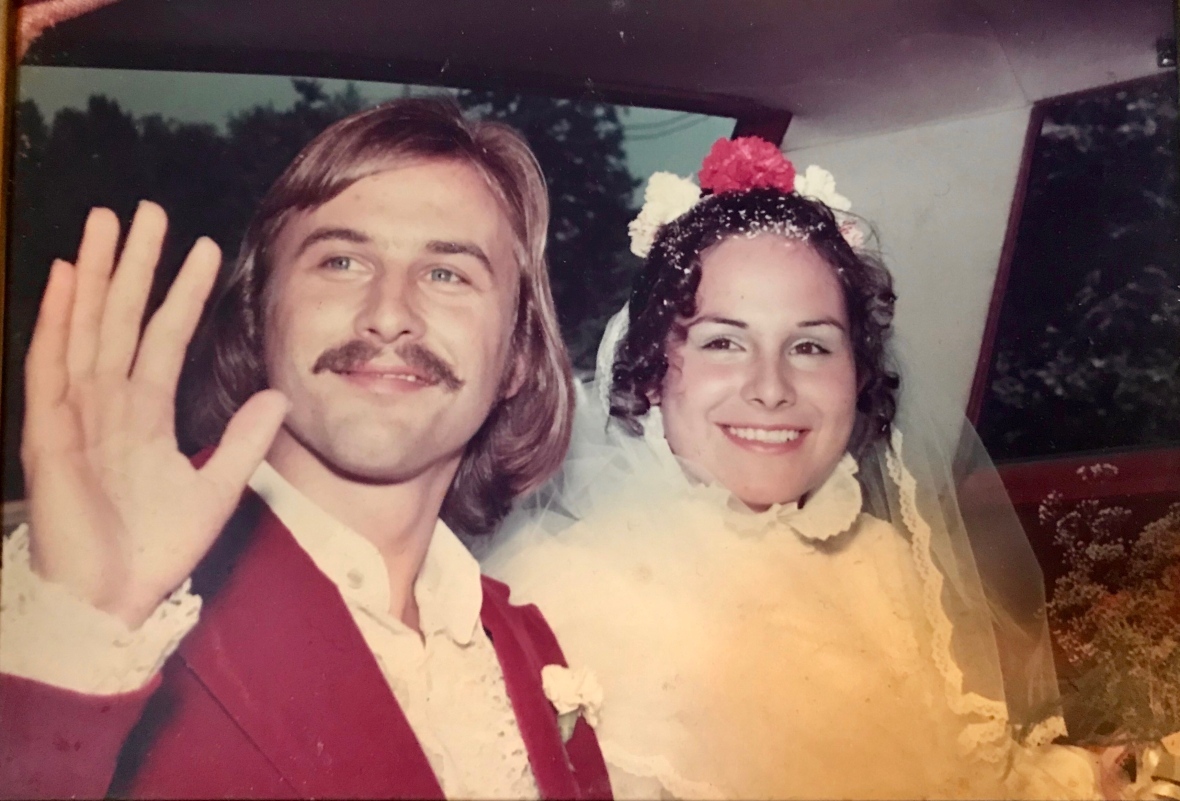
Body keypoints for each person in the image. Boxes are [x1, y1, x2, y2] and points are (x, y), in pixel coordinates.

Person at [0, 98, 611, 800]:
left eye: (447, 273)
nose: (389, 314)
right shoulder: (116, 599)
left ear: (518, 359)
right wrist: (73, 637)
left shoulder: (529, 643)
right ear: (259, 316)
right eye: (342, 261)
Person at [482, 137, 1104, 799]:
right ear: (654, 369)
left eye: (810, 345)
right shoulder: (553, 593)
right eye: (724, 341)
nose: (771, 387)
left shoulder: (883, 558)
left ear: (858, 374)